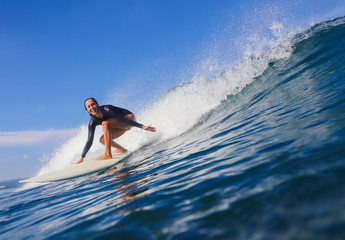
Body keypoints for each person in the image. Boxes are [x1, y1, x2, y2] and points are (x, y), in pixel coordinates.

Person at [77, 97, 156, 164]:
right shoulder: (92, 122)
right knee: (102, 140)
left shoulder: (107, 109)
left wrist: (142, 126)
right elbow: (89, 140)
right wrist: (82, 157)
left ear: (97, 104)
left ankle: (108, 154)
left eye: (93, 104)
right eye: (89, 107)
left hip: (128, 119)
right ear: (87, 110)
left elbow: (123, 119)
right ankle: (122, 149)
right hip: (119, 126)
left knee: (105, 123)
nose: (92, 107)